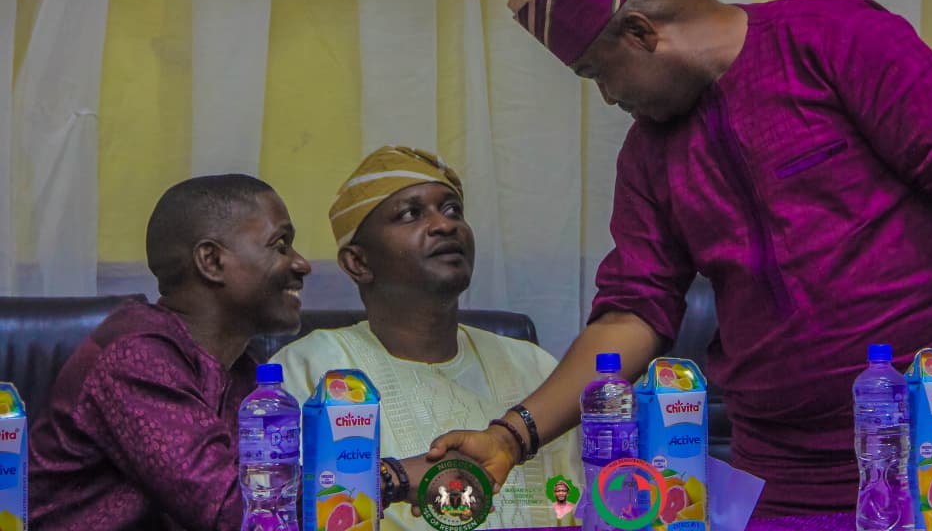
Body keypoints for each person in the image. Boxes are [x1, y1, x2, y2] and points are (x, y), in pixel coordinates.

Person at [428, 0, 932, 515]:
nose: (608, 97)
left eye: (599, 73)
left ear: (641, 32)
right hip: (785, 473)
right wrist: (511, 436)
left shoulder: (836, 38)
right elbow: (632, 312)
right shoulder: (648, 156)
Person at [271, 145, 583, 528]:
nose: (445, 225)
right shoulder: (309, 368)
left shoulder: (534, 365)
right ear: (358, 262)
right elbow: (281, 506)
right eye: (410, 214)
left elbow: (576, 503)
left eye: (452, 210)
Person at [29, 174, 311, 531]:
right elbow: (233, 513)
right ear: (211, 260)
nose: (302, 264)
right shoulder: (135, 357)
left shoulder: (241, 371)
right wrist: (370, 482)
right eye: (280, 245)